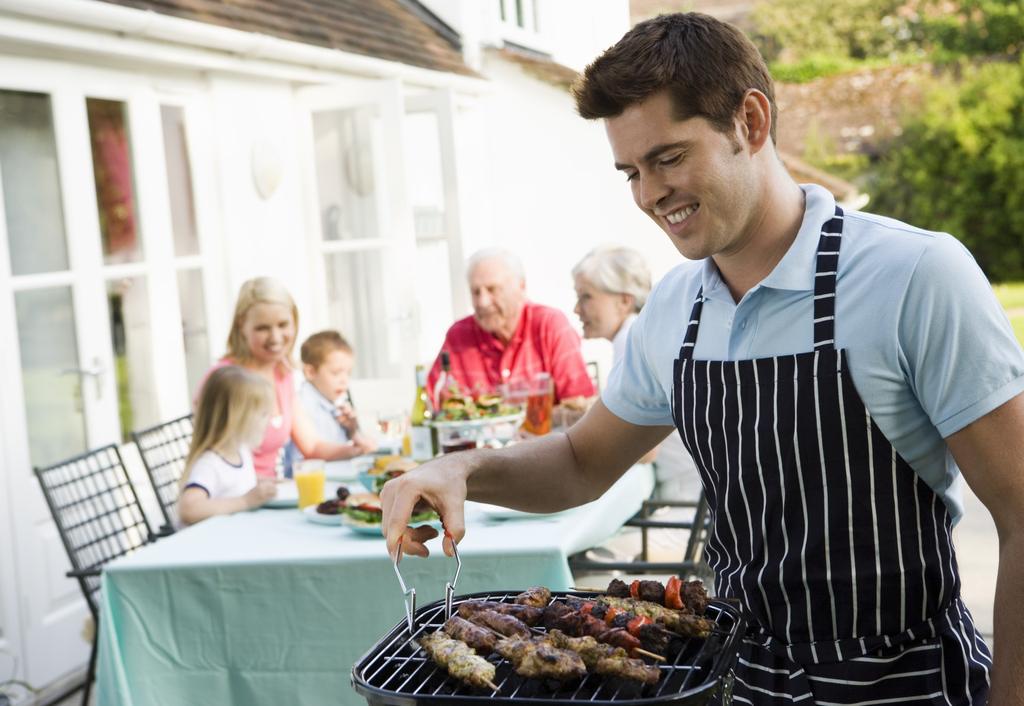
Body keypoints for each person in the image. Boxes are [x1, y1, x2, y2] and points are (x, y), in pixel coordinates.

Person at [382, 13, 1024, 705]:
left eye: (668, 158)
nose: (649, 194)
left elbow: (1021, 513)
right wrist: (461, 467)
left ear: (749, 121)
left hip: (906, 685)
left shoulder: (913, 274)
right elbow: (579, 465)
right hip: (735, 681)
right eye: (631, 171)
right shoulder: (674, 309)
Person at [200, 277, 375, 478]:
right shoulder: (224, 380)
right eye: (262, 328)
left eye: (283, 324)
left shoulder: (281, 372)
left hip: (270, 493)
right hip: (238, 499)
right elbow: (211, 466)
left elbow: (312, 446)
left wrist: (356, 449)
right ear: (241, 326)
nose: (275, 337)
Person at [573, 245, 700, 500]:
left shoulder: (631, 338)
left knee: (592, 540)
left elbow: (643, 452)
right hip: (691, 503)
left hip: (677, 512)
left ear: (623, 301)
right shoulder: (645, 332)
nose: (577, 309)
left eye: (586, 297)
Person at [426, 248, 595, 406]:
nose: (482, 302)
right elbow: (430, 402)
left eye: (493, 290)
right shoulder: (458, 336)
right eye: (475, 292)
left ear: (521, 287)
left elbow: (580, 406)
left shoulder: (550, 325)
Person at [177, 366, 278, 525]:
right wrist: (245, 501)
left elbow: (235, 481)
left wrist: (266, 482)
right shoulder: (209, 464)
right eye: (263, 414)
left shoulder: (240, 450)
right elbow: (189, 509)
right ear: (237, 419)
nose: (270, 418)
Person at [287, 330, 377, 478]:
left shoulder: (335, 403)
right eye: (336, 373)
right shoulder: (303, 404)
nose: (344, 380)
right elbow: (304, 459)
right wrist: (358, 448)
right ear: (310, 372)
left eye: (348, 373)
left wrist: (353, 431)